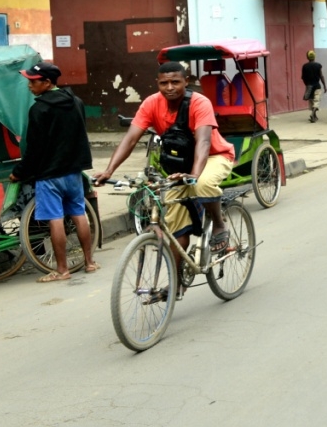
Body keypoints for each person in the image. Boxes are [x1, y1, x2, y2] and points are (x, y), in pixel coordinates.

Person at [94, 61, 238, 283]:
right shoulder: (151, 103)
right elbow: (131, 138)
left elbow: (203, 142)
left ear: (185, 82)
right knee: (176, 227)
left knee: (200, 184)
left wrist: (194, 175)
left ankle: (218, 223)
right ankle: (175, 284)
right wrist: (108, 170)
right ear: (157, 84)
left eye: (175, 82)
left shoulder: (199, 103)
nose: (169, 87)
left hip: (213, 156)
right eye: (164, 83)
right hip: (181, 166)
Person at [9, 62, 96, 282]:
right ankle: (89, 262)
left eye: (33, 81)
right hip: (74, 171)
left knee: (55, 219)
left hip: (50, 175)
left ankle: (62, 270)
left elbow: (34, 148)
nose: (29, 85)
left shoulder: (39, 109)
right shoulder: (76, 102)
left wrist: (19, 172)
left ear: (47, 83)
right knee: (78, 214)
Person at [301, 50, 326, 123]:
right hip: (317, 86)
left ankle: (314, 116)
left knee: (311, 101)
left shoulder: (304, 66)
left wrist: (306, 84)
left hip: (309, 86)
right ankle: (313, 114)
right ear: (314, 57)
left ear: (307, 57)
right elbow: (321, 76)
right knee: (316, 101)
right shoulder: (318, 65)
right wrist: (324, 85)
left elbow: (303, 77)